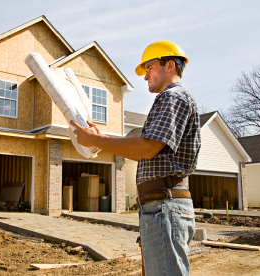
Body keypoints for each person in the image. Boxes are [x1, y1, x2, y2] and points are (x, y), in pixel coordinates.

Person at [70, 40, 201, 276]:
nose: (145, 76)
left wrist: (98, 141)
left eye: (149, 68)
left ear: (169, 65)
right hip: (160, 205)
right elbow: (146, 150)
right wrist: (104, 138)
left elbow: (147, 148)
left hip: (165, 205)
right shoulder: (168, 100)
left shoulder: (173, 98)